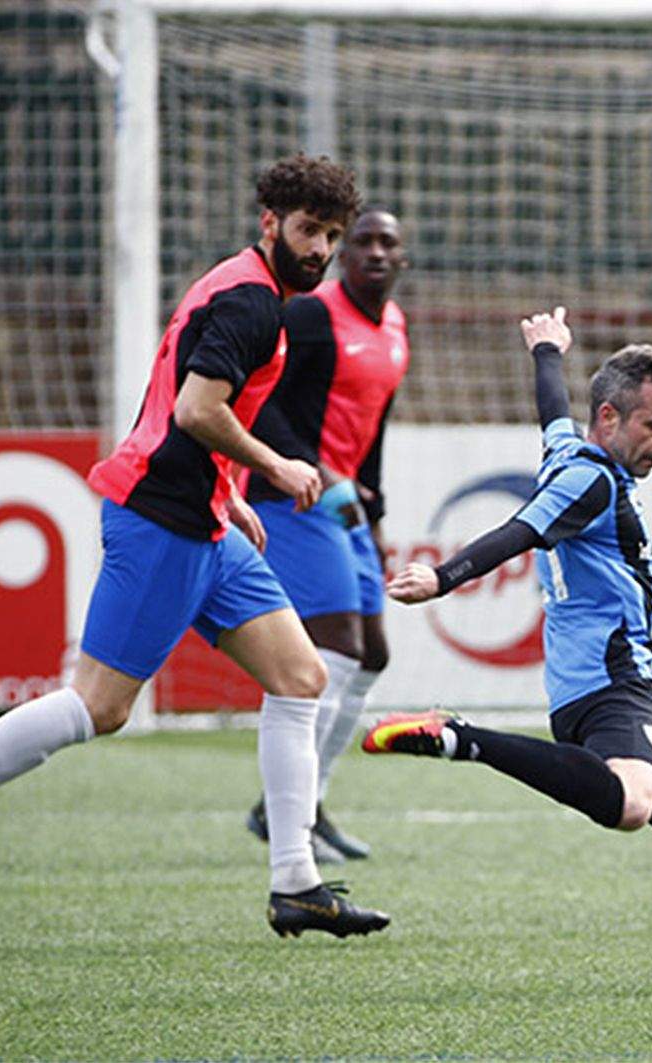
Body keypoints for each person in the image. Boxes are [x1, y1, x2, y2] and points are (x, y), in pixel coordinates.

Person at [0, 154, 390, 937]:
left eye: (331, 235)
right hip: (160, 522)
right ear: (270, 224)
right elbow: (194, 410)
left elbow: (175, 402)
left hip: (203, 520)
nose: (319, 248)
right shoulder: (251, 302)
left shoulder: (244, 287)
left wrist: (226, 493)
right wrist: (275, 465)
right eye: (309, 230)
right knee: (100, 705)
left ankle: (297, 884)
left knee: (301, 675)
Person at [363, 307, 652, 971]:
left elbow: (553, 411)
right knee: (631, 804)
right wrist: (443, 577)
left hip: (622, 692)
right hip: (611, 685)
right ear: (609, 418)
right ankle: (459, 736)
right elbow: (520, 530)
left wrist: (547, 351)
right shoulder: (591, 480)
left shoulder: (567, 453)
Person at [241, 208, 411, 863]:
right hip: (291, 495)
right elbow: (261, 401)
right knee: (336, 646)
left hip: (344, 505)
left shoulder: (395, 328)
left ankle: (306, 803)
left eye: (387, 243)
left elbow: (373, 433)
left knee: (372, 655)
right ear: (344, 254)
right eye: (362, 241)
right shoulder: (312, 316)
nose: (375, 251)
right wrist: (310, 467)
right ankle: (290, 812)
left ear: (402, 258)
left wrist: (375, 511)